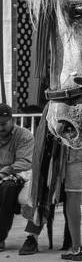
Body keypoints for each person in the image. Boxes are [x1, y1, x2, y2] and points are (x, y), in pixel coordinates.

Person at [0, 104, 33, 252]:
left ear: (12, 120)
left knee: (7, 188)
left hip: (18, 176)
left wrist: (4, 172)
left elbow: (25, 162)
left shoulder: (24, 135)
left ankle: (0, 238)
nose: (0, 128)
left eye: (3, 124)